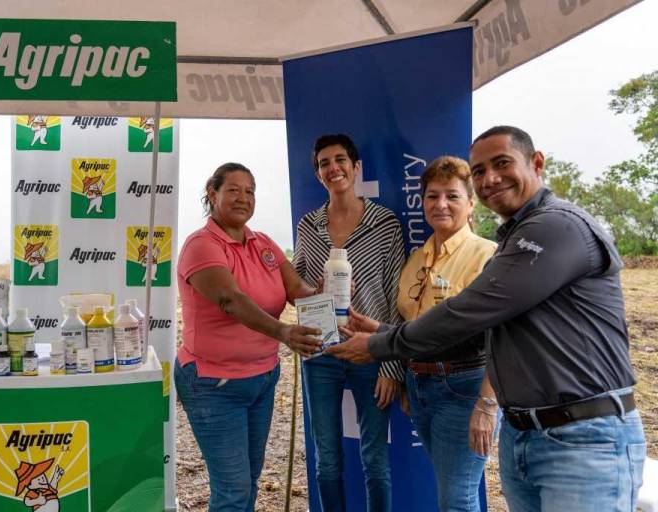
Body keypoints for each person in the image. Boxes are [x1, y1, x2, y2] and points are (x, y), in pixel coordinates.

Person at [327, 126, 646, 511]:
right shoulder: (507, 238)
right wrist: (386, 332)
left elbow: (467, 314)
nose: (490, 179)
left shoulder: (554, 227)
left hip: (582, 436)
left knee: (457, 498)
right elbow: (493, 331)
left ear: (537, 163)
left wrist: (380, 345)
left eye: (502, 164)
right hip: (525, 430)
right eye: (479, 171)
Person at [350, 156, 498, 511]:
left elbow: (502, 337)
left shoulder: (488, 256)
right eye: (432, 196)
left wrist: (488, 404)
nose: (440, 205)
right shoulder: (416, 259)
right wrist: (405, 374)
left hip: (464, 388)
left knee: (457, 498)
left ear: (471, 202)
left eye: (452, 196)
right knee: (451, 490)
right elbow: (412, 330)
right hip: (420, 386)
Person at [174, 162, 323, 512]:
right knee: (233, 490)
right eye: (234, 190)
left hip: (262, 378)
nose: (244, 198)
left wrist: (326, 294)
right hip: (213, 383)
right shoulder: (201, 244)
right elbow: (231, 300)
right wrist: (284, 331)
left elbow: (295, 289)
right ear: (213, 194)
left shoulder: (263, 243)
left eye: (250, 191)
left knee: (249, 483)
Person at [293, 134, 404, 512]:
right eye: (324, 163)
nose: (333, 167)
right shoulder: (309, 225)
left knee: (375, 458)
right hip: (320, 350)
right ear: (318, 174)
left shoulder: (384, 223)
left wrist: (391, 363)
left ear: (356, 168)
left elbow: (395, 296)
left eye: (340, 160)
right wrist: (315, 289)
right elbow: (296, 286)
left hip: (370, 353)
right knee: (327, 458)